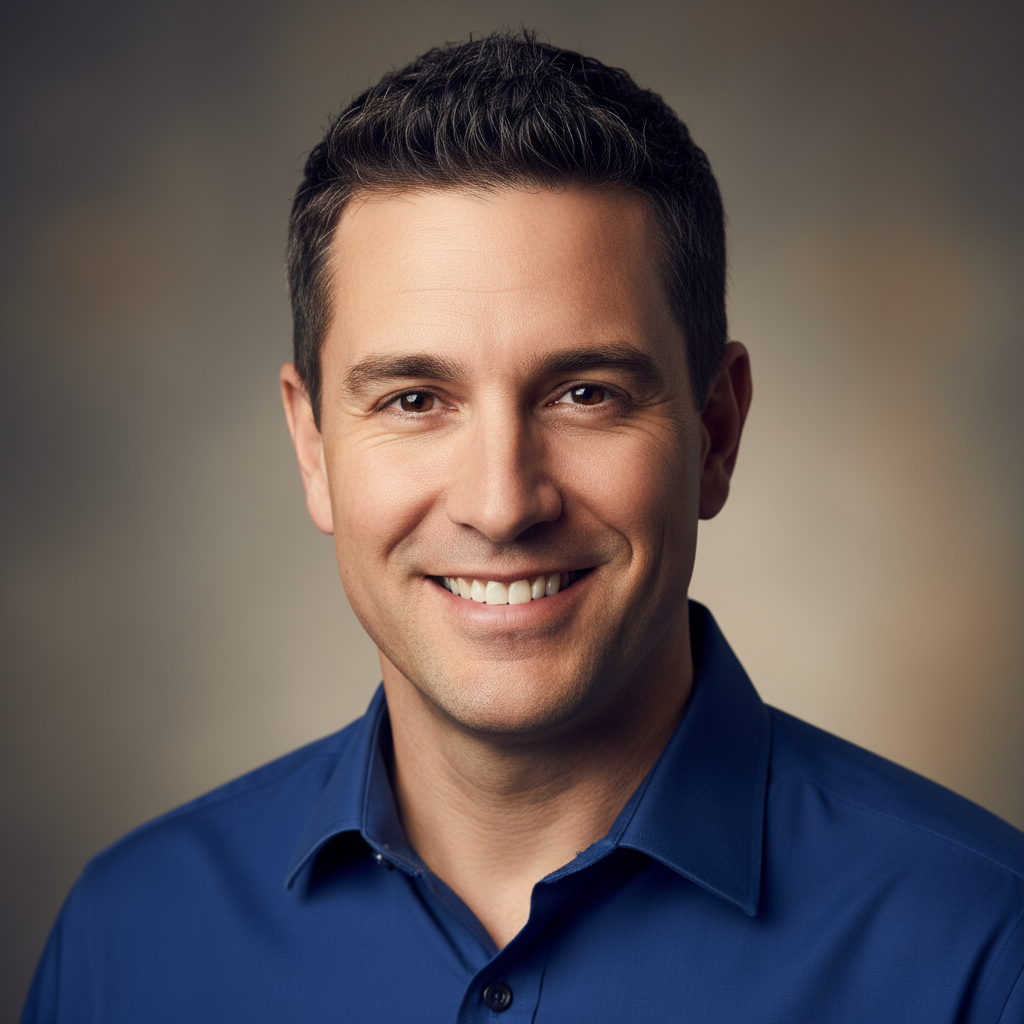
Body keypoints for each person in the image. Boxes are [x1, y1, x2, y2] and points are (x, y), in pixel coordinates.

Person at [22, 30, 1024, 1023]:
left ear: (716, 432)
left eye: (585, 392)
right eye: (415, 400)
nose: (502, 504)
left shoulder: (983, 946)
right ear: (313, 448)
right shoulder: (129, 937)